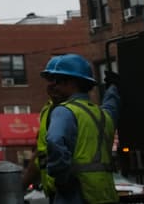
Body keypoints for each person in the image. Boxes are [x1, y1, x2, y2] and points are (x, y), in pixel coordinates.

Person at [40, 54, 120, 204]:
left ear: (72, 83)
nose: (53, 85)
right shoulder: (103, 115)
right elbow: (112, 105)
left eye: (58, 81)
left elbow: (54, 141)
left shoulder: (64, 111)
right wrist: (113, 88)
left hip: (76, 195)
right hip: (105, 194)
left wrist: (62, 177)